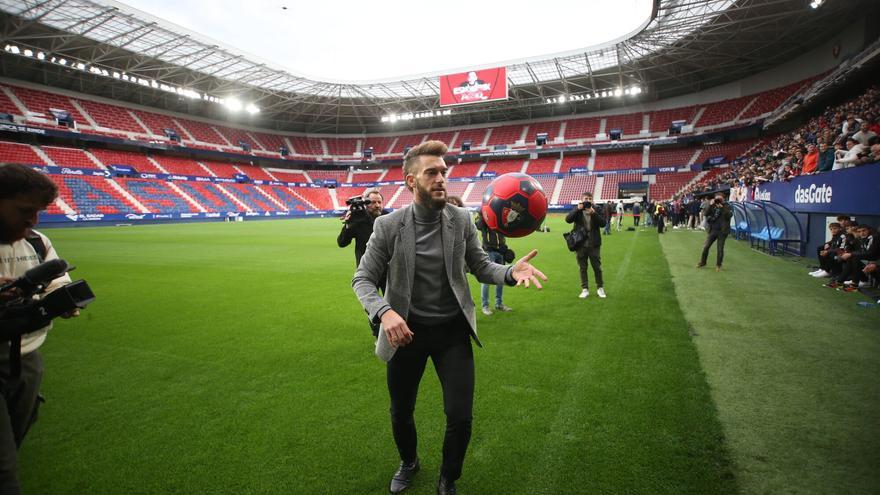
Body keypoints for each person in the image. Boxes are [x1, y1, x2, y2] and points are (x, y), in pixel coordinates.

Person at [351, 141, 546, 495]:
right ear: (411, 181)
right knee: (401, 411)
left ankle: (448, 477)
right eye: (432, 172)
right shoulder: (388, 226)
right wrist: (385, 311)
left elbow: (480, 265)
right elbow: (362, 279)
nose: (441, 178)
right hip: (405, 333)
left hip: (452, 332)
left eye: (443, 171)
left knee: (460, 416)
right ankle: (409, 462)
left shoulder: (460, 219)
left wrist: (509, 272)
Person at [0, 163, 79, 494]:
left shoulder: (35, 241)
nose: (33, 220)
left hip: (28, 357)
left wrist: (63, 300)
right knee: (4, 469)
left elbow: (57, 278)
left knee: (17, 434)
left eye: (39, 212)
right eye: (24, 210)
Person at [566, 192, 606, 299]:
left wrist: (594, 213)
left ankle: (600, 288)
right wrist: (577, 209)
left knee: (597, 267)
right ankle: (585, 289)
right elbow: (568, 219)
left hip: (594, 243)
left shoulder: (597, 209)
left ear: (592, 200)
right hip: (580, 244)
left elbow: (603, 223)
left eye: (589, 198)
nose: (587, 200)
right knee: (582, 268)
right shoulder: (578, 210)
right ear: (582, 199)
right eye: (585, 198)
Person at [337, 188, 386, 267]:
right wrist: (348, 224)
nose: (377, 205)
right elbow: (342, 243)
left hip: (386, 269)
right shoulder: (358, 219)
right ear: (365, 204)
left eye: (379, 202)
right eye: (373, 202)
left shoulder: (388, 217)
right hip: (365, 269)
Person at [474, 214, 511, 315]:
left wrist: (505, 247)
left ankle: (499, 304)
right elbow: (478, 225)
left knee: (501, 278)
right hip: (489, 251)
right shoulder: (485, 214)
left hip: (501, 251)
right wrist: (483, 213)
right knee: (486, 279)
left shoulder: (500, 213)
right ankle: (485, 306)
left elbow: (507, 229)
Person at [697, 194, 733, 272]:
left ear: (723, 199)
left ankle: (718, 265)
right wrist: (710, 205)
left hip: (722, 231)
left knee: (720, 249)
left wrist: (722, 207)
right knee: (706, 246)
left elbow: (729, 215)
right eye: (716, 198)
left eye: (719, 198)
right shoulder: (713, 205)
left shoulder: (727, 206)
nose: (718, 200)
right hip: (713, 230)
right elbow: (706, 214)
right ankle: (703, 262)